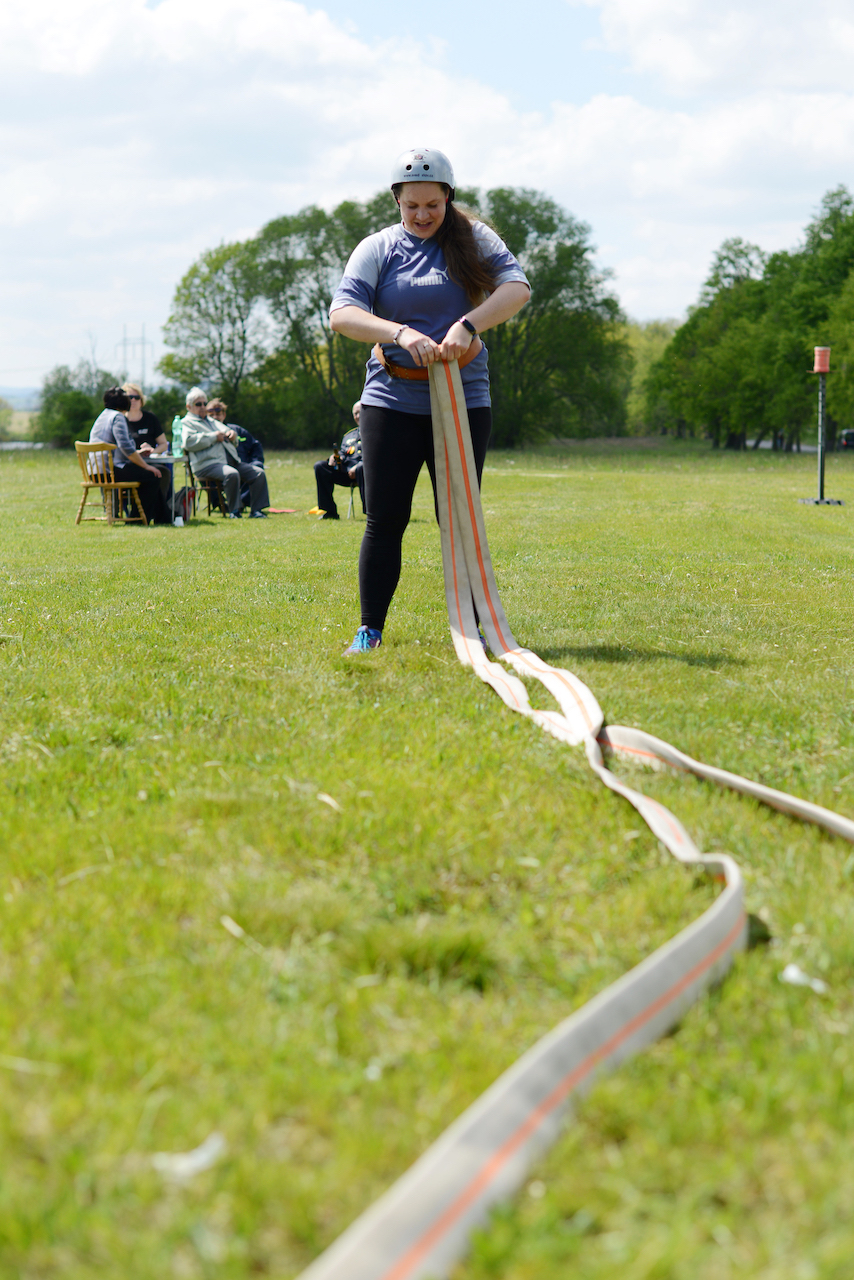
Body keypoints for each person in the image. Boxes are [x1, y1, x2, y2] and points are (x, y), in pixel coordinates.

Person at [329, 147, 530, 653]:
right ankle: (369, 629)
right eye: (411, 205)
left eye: (432, 205)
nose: (422, 215)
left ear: (448, 198)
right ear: (396, 200)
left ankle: (475, 626)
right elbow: (342, 314)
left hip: (463, 398)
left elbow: (517, 288)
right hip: (390, 398)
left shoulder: (476, 238)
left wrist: (468, 325)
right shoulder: (377, 247)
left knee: (459, 517)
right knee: (385, 518)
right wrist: (398, 332)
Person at [181, 388, 270, 518]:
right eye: (198, 404)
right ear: (188, 407)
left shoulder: (211, 421)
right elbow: (188, 442)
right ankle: (235, 511)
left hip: (230, 461)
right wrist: (213, 437)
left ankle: (256, 511)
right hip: (207, 464)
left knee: (258, 473)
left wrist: (233, 435)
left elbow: (230, 434)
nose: (203, 407)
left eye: (205, 403)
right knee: (231, 474)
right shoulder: (186, 423)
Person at [89, 387, 171, 525]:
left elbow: (116, 449)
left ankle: (164, 519)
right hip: (110, 471)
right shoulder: (118, 417)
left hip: (95, 470)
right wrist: (146, 466)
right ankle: (137, 519)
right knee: (153, 475)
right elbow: (125, 446)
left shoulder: (103, 416)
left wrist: (137, 454)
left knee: (151, 474)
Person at [123, 382, 174, 514]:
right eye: (129, 397)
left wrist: (152, 451)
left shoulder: (150, 418)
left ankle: (159, 511)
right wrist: (137, 453)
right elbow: (120, 448)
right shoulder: (120, 421)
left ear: (142, 400)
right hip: (130, 463)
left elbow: (163, 444)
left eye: (137, 397)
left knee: (162, 472)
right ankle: (137, 512)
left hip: (151, 462)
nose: (133, 400)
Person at [206, 399, 266, 512]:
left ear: (224, 415)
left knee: (257, 471)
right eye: (211, 414)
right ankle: (220, 503)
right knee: (228, 473)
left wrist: (256, 461)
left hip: (238, 464)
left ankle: (254, 508)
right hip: (217, 467)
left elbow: (255, 446)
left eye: (218, 414)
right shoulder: (205, 433)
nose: (215, 417)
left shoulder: (236, 430)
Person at [312, 401, 365, 520]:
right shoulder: (349, 436)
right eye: (355, 414)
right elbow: (343, 453)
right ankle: (330, 511)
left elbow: (375, 456)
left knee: (362, 468)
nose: (358, 416)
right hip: (346, 473)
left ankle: (371, 513)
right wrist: (335, 458)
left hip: (365, 473)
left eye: (360, 413)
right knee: (320, 466)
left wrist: (358, 467)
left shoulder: (374, 433)